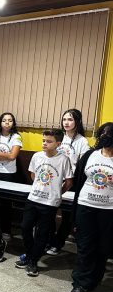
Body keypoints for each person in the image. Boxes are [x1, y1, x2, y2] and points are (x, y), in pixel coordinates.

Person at [14, 129, 73, 276]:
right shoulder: (37, 156)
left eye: (49, 141)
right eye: (43, 140)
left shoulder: (63, 159)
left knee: (42, 233)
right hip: (33, 198)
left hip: (49, 203)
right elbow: (33, 175)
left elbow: (69, 182)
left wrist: (57, 193)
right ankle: (30, 255)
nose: (45, 143)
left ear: (58, 144)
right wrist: (40, 187)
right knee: (25, 228)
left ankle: (33, 262)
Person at [69, 122, 113, 292]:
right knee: (84, 245)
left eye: (108, 134)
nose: (104, 137)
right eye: (102, 133)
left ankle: (94, 280)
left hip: (108, 210)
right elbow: (79, 182)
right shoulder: (90, 155)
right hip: (85, 205)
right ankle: (79, 283)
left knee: (103, 247)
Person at [47, 108, 90, 256]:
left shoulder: (82, 141)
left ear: (77, 121)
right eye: (64, 119)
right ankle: (49, 240)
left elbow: (83, 165)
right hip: (53, 177)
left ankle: (58, 243)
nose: (66, 122)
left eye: (70, 119)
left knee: (66, 215)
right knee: (49, 210)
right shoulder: (58, 136)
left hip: (72, 181)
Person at [0, 112, 23, 254]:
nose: (7, 123)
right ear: (0, 122)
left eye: (10, 120)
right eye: (4, 120)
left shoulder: (16, 137)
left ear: (13, 123)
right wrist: (4, 156)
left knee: (5, 205)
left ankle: (6, 231)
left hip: (7, 174)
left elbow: (12, 156)